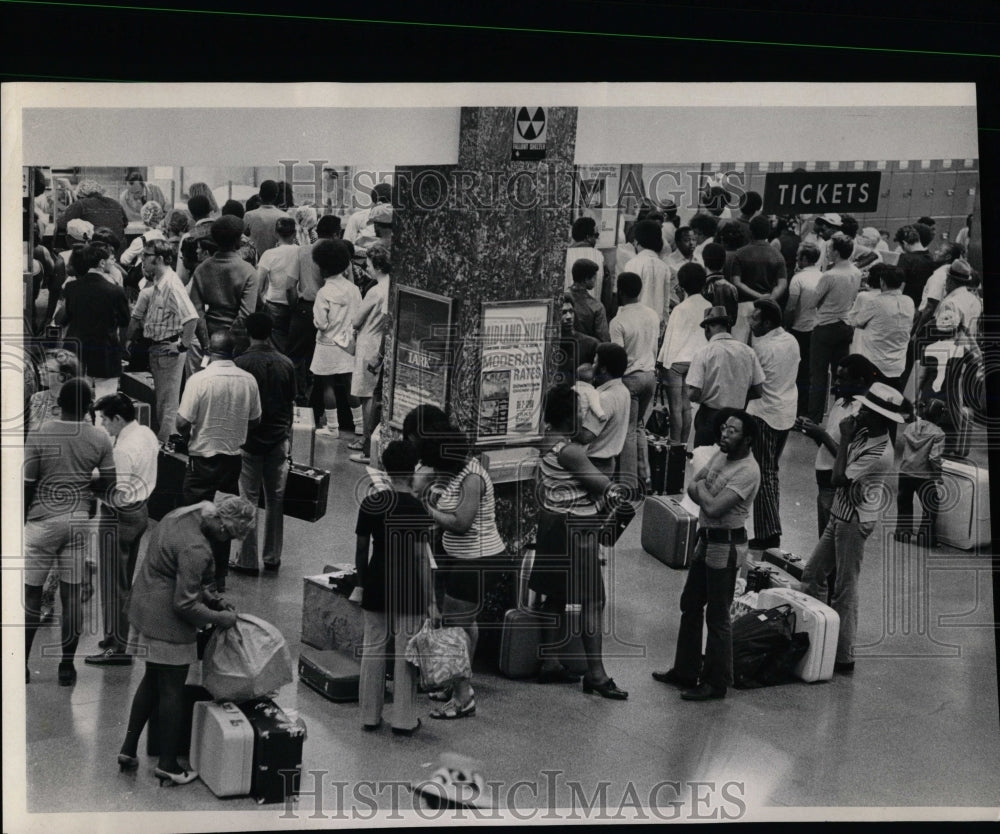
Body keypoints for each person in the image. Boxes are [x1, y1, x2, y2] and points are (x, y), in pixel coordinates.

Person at [118, 496, 254, 785]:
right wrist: (220, 618)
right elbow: (185, 604)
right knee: (171, 691)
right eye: (228, 533)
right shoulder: (197, 548)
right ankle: (168, 764)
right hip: (167, 621)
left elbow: (186, 574)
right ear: (221, 521)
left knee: (151, 681)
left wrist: (215, 599)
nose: (226, 540)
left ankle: (128, 750)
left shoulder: (185, 512)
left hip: (145, 605)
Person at [652, 410, 761, 701]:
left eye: (733, 431)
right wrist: (704, 493)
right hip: (707, 539)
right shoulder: (720, 456)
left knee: (717, 614)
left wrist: (702, 492)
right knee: (690, 603)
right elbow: (692, 485)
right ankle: (685, 669)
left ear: (747, 439)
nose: (724, 435)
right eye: (724, 429)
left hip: (726, 547)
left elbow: (712, 507)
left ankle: (716, 682)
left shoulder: (748, 471)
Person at [530, 386, 629, 698]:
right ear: (570, 415)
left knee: (555, 595)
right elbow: (603, 486)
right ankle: (596, 674)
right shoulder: (570, 451)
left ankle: (550, 661)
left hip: (552, 520)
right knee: (593, 600)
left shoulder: (543, 440)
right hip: (577, 526)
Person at [801, 382, 904, 673]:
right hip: (841, 514)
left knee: (845, 587)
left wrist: (844, 437)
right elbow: (840, 462)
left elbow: (837, 478)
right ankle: (818, 638)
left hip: (854, 522)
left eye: (867, 410)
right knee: (813, 574)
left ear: (881, 418)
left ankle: (843, 656)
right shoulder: (864, 432)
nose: (860, 412)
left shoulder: (881, 451)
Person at [24, 379, 117, 686]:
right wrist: (85, 490)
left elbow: (27, 483)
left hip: (42, 521)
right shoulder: (100, 437)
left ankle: (21, 666)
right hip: (78, 522)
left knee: (32, 596)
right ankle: (66, 667)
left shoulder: (39, 434)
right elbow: (109, 485)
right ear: (89, 406)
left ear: (58, 404)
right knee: (72, 597)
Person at [419, 424, 508, 720]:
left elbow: (462, 523)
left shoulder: (471, 477)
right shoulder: (456, 473)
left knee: (454, 630)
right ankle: (456, 681)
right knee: (463, 623)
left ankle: (463, 698)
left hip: (479, 560)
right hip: (465, 558)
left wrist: (426, 511)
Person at [355, 440, 435, 735]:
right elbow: (420, 559)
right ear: (413, 470)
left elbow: (361, 550)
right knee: (405, 652)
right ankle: (403, 719)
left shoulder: (372, 503)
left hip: (376, 581)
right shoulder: (417, 508)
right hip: (408, 590)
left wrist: (361, 583)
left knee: (373, 649)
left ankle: (369, 715)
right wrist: (431, 601)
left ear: (385, 471)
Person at [176, 330, 262, 590]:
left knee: (193, 519)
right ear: (233, 351)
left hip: (201, 459)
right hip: (232, 461)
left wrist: (191, 432)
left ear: (208, 351)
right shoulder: (248, 380)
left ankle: (193, 574)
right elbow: (255, 419)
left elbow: (182, 422)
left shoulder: (199, 380)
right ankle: (218, 578)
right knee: (223, 520)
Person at [85, 394, 159, 665]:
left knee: (112, 583)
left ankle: (117, 647)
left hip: (119, 515)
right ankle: (116, 636)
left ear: (118, 418)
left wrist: (89, 481)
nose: (103, 424)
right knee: (123, 580)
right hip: (141, 512)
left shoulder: (123, 449)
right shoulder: (146, 433)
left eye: (105, 419)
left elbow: (119, 492)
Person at [230, 313, 296, 576]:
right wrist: (288, 437)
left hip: (249, 440)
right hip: (278, 439)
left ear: (248, 332)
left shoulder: (240, 364)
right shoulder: (286, 363)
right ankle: (272, 556)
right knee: (276, 499)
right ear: (270, 331)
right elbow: (291, 405)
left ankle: (246, 559)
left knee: (248, 498)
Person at [795, 354, 878, 539]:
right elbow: (827, 446)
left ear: (860, 381)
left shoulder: (861, 412)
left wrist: (821, 434)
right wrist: (812, 431)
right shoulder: (840, 403)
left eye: (842, 378)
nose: (836, 383)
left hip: (836, 486)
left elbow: (847, 456)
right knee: (824, 539)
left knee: (831, 542)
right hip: (823, 482)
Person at [127, 238, 199, 441]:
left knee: (167, 405)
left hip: (168, 349)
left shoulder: (171, 284)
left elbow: (191, 318)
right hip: (159, 348)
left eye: (145, 256)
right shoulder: (161, 282)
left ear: (159, 259)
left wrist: (182, 346)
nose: (142, 260)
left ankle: (166, 447)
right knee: (163, 403)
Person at [746, 299, 800, 550]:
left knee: (765, 474)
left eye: (754, 319)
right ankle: (768, 528)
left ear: (767, 322)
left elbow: (753, 386)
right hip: (786, 411)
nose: (750, 323)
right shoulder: (791, 341)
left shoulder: (762, 348)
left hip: (764, 413)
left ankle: (769, 533)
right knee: (771, 470)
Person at [56, 240, 131, 399]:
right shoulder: (115, 291)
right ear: (102, 263)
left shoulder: (72, 288)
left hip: (77, 353)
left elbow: (66, 316)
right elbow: (125, 321)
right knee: (104, 403)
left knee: (78, 404)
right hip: (105, 353)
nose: (114, 263)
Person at [609, 271, 660, 493]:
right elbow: (655, 346)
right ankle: (645, 479)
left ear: (619, 291)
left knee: (628, 430)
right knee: (639, 427)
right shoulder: (652, 314)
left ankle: (628, 485)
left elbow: (617, 358)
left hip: (630, 379)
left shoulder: (618, 321)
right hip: (650, 375)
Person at [687, 306, 764, 448]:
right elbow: (759, 391)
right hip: (738, 418)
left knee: (703, 461)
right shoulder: (748, 352)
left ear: (707, 329)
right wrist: (738, 396)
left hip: (710, 417)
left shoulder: (704, 352)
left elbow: (693, 393)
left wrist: (704, 396)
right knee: (730, 463)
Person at [188, 215, 260, 364]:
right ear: (237, 241)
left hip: (209, 338)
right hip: (239, 343)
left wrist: (207, 344)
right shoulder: (248, 271)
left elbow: (196, 312)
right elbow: (246, 314)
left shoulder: (202, 269)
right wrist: (229, 342)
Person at [310, 238, 363, 437]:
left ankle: (332, 427)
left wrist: (320, 324)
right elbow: (358, 316)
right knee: (351, 383)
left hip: (327, 343)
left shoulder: (324, 292)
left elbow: (321, 323)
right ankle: (360, 425)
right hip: (348, 340)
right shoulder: (354, 289)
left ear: (323, 268)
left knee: (327, 385)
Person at [807, 233, 861, 424]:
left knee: (819, 375)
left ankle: (813, 418)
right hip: (845, 325)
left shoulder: (829, 276)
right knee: (842, 374)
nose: (827, 252)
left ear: (836, 252)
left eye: (829, 249)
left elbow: (812, 302)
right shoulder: (856, 272)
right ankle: (840, 416)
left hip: (825, 327)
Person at [289, 214, 341, 402]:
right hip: (330, 311)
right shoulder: (338, 252)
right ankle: (317, 402)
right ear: (336, 234)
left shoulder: (302, 251)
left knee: (296, 356)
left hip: (304, 308)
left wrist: (295, 305)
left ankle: (297, 397)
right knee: (322, 359)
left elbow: (290, 285)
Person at [657, 263, 711, 444]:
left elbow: (672, 338)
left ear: (682, 284)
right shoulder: (709, 306)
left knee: (676, 408)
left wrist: (663, 363)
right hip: (697, 361)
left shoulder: (680, 309)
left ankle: (674, 443)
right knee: (687, 407)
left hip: (677, 362)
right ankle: (683, 445)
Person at [349, 243, 391, 464]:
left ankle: (367, 446)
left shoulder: (375, 291)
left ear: (377, 266)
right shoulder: (392, 287)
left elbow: (356, 320)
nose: (367, 268)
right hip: (382, 343)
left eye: (368, 264)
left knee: (367, 396)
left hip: (368, 343)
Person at [846, 263, 914, 393]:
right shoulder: (909, 302)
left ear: (882, 282)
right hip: (898, 364)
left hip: (875, 362)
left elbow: (856, 321)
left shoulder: (876, 302)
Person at [895, 398, 946, 546]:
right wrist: (938, 475)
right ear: (939, 416)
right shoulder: (938, 433)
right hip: (923, 474)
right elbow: (934, 457)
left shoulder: (911, 427)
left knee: (904, 502)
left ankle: (902, 533)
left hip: (905, 470)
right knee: (931, 504)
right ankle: (926, 538)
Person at [731, 215, 789, 345]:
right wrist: (769, 299)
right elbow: (782, 284)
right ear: (768, 232)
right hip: (766, 310)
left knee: (739, 346)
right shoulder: (777, 255)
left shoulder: (740, 253)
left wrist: (758, 296)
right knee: (762, 348)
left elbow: (736, 282)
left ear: (750, 231)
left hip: (744, 307)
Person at [576, 342, 631, 478]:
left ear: (603, 369)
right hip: (607, 462)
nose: (592, 367)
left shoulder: (604, 398)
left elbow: (585, 436)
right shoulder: (623, 390)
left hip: (594, 464)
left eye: (595, 363)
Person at [783, 241, 824, 417]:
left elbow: (791, 307)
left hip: (800, 328)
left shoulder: (798, 279)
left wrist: (786, 325)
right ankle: (808, 410)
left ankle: (797, 409)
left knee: (797, 371)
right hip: (817, 327)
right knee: (812, 371)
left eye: (799, 256)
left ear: (805, 258)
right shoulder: (823, 276)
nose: (796, 259)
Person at [256, 216, 300, 353]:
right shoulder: (301, 252)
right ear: (294, 233)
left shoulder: (269, 254)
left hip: (274, 304)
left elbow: (258, 286)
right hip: (298, 305)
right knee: (295, 348)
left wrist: (261, 305)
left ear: (275, 233)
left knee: (276, 348)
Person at [624, 218, 673, 326]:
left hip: (635, 322)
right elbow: (666, 301)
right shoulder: (664, 267)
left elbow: (626, 299)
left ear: (636, 242)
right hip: (656, 323)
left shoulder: (632, 264)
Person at [56, 179, 128, 252]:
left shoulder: (81, 204)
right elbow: (125, 223)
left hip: (95, 254)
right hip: (120, 252)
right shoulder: (115, 203)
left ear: (81, 194)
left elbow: (61, 223)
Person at [26, 348, 81, 432]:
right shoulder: (36, 397)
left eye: (47, 370)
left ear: (63, 376)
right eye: (41, 368)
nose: (41, 372)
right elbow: (32, 431)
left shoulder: (78, 401)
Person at [563, 216, 610, 313]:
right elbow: (606, 292)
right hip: (593, 314)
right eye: (596, 235)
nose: (597, 239)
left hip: (567, 313)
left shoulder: (564, 256)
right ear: (588, 237)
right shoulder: (600, 257)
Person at [553, 294, 599, 386]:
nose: (569, 316)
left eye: (571, 311)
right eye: (563, 313)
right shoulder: (549, 345)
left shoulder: (590, 344)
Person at [567, 259, 610, 341]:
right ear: (586, 279)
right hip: (587, 351)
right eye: (594, 278)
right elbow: (604, 339)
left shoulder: (561, 298)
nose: (595, 281)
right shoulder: (596, 306)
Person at [700, 242, 740, 329]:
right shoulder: (732, 288)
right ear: (724, 262)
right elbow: (733, 320)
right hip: (725, 333)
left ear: (704, 261)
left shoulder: (701, 287)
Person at [243, 180, 287, 256]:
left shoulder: (249, 216)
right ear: (276, 195)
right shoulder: (285, 217)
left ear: (260, 194)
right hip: (277, 261)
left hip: (255, 262)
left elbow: (242, 238)